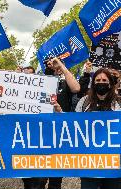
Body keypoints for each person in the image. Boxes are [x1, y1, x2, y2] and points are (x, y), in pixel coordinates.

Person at [75, 68, 121, 189]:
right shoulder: (84, 102)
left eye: (104, 80)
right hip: (90, 162)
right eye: (98, 80)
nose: (101, 82)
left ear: (110, 83)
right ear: (93, 82)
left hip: (115, 162)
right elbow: (74, 124)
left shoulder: (120, 102)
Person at [43, 57, 81, 189]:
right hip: (41, 131)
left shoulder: (66, 83)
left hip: (60, 132)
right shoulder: (39, 80)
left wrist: (61, 66)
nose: (53, 66)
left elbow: (76, 88)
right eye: (50, 64)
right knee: (38, 176)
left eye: (56, 63)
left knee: (55, 177)